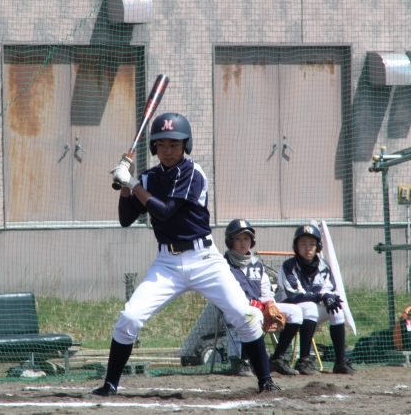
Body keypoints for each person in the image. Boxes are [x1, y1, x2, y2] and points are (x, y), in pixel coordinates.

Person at [93, 112, 281, 396]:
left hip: (204, 259)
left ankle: (265, 380)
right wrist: (123, 186)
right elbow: (125, 219)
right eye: (161, 144)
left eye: (174, 144)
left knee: (245, 315)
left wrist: (132, 183)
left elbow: (165, 212)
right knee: (129, 318)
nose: (168, 151)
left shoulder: (192, 172)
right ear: (154, 147)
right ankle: (110, 385)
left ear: (185, 145)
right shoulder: (149, 177)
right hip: (167, 264)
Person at [271, 224, 356, 375]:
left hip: (310, 310)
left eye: (312, 244)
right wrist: (322, 297)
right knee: (309, 306)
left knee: (337, 310)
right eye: (303, 244)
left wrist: (328, 298)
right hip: (288, 308)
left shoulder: (323, 265)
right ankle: (304, 360)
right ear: (296, 246)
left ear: (318, 246)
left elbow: (328, 290)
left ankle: (341, 361)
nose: (308, 248)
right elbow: (295, 295)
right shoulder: (289, 265)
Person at [223, 219, 303, 377]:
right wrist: (256, 305)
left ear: (252, 241)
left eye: (246, 238)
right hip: (232, 309)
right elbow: (227, 292)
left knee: (296, 312)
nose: (243, 243)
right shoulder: (224, 265)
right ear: (230, 241)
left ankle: (277, 359)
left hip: (258, 307)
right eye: (238, 239)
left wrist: (268, 304)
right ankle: (245, 362)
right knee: (254, 314)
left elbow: (265, 288)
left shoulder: (256, 264)